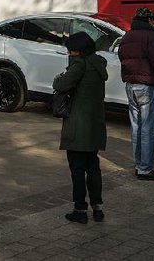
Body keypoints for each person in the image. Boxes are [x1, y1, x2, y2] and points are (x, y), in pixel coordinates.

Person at [53, 32, 108, 224]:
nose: (69, 52)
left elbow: (60, 84)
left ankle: (80, 209)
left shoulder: (79, 65)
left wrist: (60, 75)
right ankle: (98, 208)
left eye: (71, 49)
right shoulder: (98, 64)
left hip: (78, 127)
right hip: (95, 126)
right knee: (93, 167)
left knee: (77, 169)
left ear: (78, 50)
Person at [118, 7, 154, 181]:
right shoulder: (152, 37)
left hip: (130, 86)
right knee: (149, 128)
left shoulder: (126, 37)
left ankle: (138, 164)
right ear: (149, 20)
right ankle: (145, 168)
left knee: (136, 127)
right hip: (148, 86)